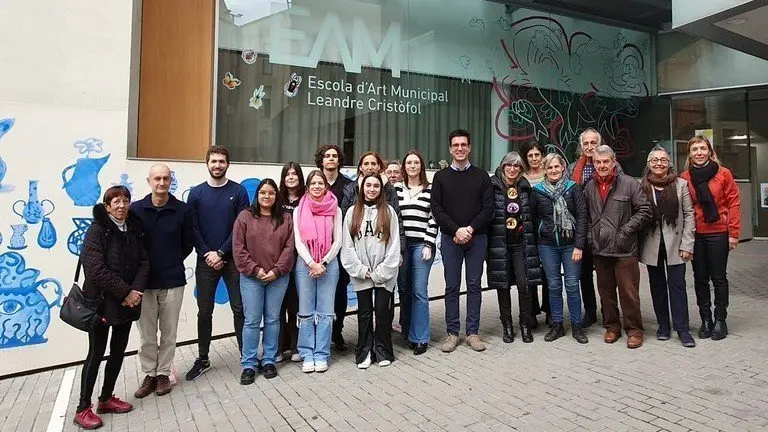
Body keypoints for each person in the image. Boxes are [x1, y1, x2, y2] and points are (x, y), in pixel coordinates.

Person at [74, 186, 149, 429]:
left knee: (118, 353)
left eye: (125, 201)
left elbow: (144, 263)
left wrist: (135, 292)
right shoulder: (97, 231)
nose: (121, 205)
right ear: (107, 206)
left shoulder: (134, 230)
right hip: (102, 304)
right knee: (96, 354)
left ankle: (106, 398)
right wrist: (125, 292)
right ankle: (82, 408)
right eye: (115, 201)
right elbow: (95, 269)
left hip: (127, 304)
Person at [186, 145, 250, 380]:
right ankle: (203, 358)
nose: (217, 165)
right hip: (205, 261)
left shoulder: (239, 191)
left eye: (222, 161)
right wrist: (207, 254)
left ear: (228, 164)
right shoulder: (196, 193)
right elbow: (193, 228)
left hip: (233, 260)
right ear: (207, 163)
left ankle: (247, 356)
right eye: (213, 161)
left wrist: (221, 253)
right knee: (204, 312)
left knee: (239, 309)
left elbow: (240, 227)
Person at [131, 164, 194, 399]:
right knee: (147, 334)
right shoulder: (136, 210)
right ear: (149, 181)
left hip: (172, 280)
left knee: (168, 333)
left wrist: (172, 261)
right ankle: (149, 374)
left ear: (171, 181)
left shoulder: (182, 210)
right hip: (143, 284)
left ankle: (163, 374)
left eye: (166, 178)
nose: (161, 183)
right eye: (157, 178)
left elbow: (187, 244)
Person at [583, 145, 652, 349]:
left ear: (613, 161)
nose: (602, 165)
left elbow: (645, 210)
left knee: (628, 292)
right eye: (598, 162)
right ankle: (612, 327)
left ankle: (634, 330)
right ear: (593, 163)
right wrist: (590, 236)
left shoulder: (630, 183)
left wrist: (625, 231)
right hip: (600, 248)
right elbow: (585, 216)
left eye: (606, 161)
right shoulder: (589, 186)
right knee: (605, 292)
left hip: (624, 248)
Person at [431, 129, 494, 352]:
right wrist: (456, 230)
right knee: (451, 286)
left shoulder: (481, 176)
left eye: (463, 145)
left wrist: (469, 228)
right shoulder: (440, 177)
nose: (460, 148)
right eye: (455, 145)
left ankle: (473, 333)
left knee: (475, 285)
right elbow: (436, 209)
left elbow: (489, 209)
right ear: (450, 149)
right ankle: (452, 333)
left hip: (477, 239)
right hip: (450, 239)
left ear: (469, 147)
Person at [233, 179, 296, 384]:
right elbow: (238, 248)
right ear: (257, 195)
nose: (266, 196)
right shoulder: (245, 217)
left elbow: (289, 248)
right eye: (263, 193)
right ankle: (249, 363)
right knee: (251, 320)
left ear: (276, 195)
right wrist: (256, 270)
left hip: (278, 278)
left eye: (271, 193)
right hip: (252, 278)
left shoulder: (286, 218)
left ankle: (269, 359)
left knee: (272, 319)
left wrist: (277, 271)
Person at [680, 135, 740, 340]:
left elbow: (733, 203)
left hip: (718, 232)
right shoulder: (685, 177)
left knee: (719, 278)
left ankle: (720, 320)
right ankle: (705, 320)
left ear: (710, 151)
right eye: (695, 149)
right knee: (700, 279)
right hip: (696, 234)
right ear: (690, 153)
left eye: (702, 148)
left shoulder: (723, 174)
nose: (699, 153)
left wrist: (733, 234)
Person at [638, 147, 696, 347]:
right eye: (654, 160)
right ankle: (663, 325)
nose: (659, 163)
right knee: (657, 287)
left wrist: (688, 244)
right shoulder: (641, 185)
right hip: (651, 244)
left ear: (669, 163)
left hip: (676, 244)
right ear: (648, 164)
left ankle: (682, 329)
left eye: (663, 160)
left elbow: (689, 215)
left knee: (677, 286)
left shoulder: (681, 184)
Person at [341, 173, 401, 368]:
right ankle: (364, 351)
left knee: (383, 312)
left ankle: (383, 350)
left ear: (381, 189)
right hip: (362, 273)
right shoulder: (352, 212)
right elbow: (347, 245)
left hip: (384, 272)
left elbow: (394, 246)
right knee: (364, 313)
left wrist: (382, 272)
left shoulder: (389, 211)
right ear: (362, 187)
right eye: (368, 185)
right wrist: (360, 270)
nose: (372, 189)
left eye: (376, 185)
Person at [567, 128, 624, 327]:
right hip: (582, 229)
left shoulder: (614, 166)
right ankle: (590, 312)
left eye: (593, 143)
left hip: (606, 229)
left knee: (606, 274)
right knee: (584, 274)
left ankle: (608, 312)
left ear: (599, 144)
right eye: (586, 143)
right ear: (581, 146)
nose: (590, 147)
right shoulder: (573, 167)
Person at [531, 154, 589, 344]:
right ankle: (557, 324)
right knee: (554, 285)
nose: (554, 170)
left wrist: (579, 245)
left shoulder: (573, 189)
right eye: (550, 168)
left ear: (563, 168)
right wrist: (541, 231)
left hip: (571, 245)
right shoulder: (538, 191)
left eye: (557, 167)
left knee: (572, 285)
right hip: (547, 246)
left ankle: (577, 325)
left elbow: (582, 217)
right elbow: (532, 217)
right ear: (545, 170)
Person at [487, 152, 541, 344]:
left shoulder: (525, 188)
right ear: (503, 167)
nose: (512, 169)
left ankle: (525, 325)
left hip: (521, 244)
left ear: (520, 169)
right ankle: (507, 326)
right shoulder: (492, 186)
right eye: (509, 165)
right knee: (503, 286)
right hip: (500, 244)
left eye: (516, 166)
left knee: (524, 285)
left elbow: (532, 216)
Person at [294, 170, 343, 373]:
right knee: (305, 311)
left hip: (328, 264)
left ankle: (321, 354)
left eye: (320, 183)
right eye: (313, 183)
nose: (316, 186)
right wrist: (311, 262)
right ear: (307, 187)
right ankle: (307, 353)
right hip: (304, 264)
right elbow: (298, 240)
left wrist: (323, 262)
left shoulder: (335, 209)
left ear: (326, 186)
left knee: (325, 311)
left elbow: (338, 240)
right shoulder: (299, 209)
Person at [395, 150, 437, 355]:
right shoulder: (396, 189)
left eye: (416, 162)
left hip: (422, 245)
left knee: (419, 290)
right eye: (409, 162)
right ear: (404, 166)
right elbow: (393, 219)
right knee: (404, 290)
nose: (412, 166)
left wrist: (429, 244)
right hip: (402, 246)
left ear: (421, 166)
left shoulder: (431, 190)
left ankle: (420, 337)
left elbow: (434, 218)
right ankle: (408, 332)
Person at [315, 144, 353, 351]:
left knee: (340, 291)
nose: (331, 159)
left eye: (334, 156)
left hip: (341, 245)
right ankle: (316, 331)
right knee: (316, 290)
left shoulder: (348, 185)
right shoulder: (314, 182)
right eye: (327, 156)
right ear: (321, 160)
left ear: (339, 160)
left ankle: (337, 331)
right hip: (316, 246)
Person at [519, 139, 551, 328]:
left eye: (537, 155)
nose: (534, 158)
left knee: (548, 272)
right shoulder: (521, 177)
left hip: (546, 230)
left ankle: (549, 311)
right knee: (529, 272)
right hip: (526, 231)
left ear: (543, 156)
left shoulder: (550, 174)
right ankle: (531, 312)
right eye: (530, 155)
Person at [278, 162, 304, 362]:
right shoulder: (276, 198)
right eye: (288, 174)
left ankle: (296, 346)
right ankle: (280, 346)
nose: (291, 177)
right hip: (277, 258)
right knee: (278, 305)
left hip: (299, 257)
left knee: (294, 305)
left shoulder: (306, 198)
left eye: (295, 174)